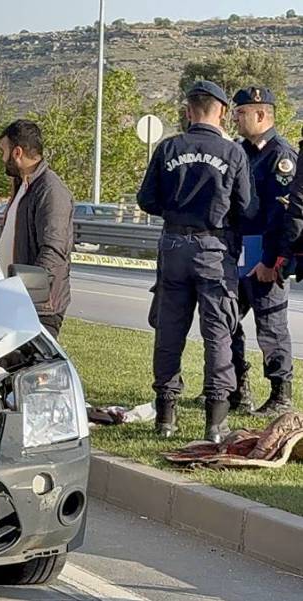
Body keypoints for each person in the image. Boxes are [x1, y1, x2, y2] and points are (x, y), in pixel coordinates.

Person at [138, 80, 256, 443]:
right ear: (222, 111)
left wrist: (176, 210)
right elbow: (247, 209)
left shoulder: (169, 147)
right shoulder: (233, 153)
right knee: (218, 333)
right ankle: (215, 422)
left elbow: (146, 200)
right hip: (214, 250)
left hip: (174, 246)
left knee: (169, 331)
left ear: (189, 111)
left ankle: (166, 416)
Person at [228, 87, 297, 416]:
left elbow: (284, 216)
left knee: (271, 325)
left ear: (260, 114)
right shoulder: (239, 151)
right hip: (238, 249)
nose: (236, 118)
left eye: (241, 113)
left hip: (265, 253)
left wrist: (272, 261)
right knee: (226, 319)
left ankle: (281, 393)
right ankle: (237, 389)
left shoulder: (280, 156)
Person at [0, 119, 73, 338]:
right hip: (16, 299)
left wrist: (26, 293)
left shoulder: (50, 191)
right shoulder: (24, 185)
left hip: (37, 308)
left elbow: (53, 251)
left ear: (17, 152)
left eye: (3, 151)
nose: (2, 158)